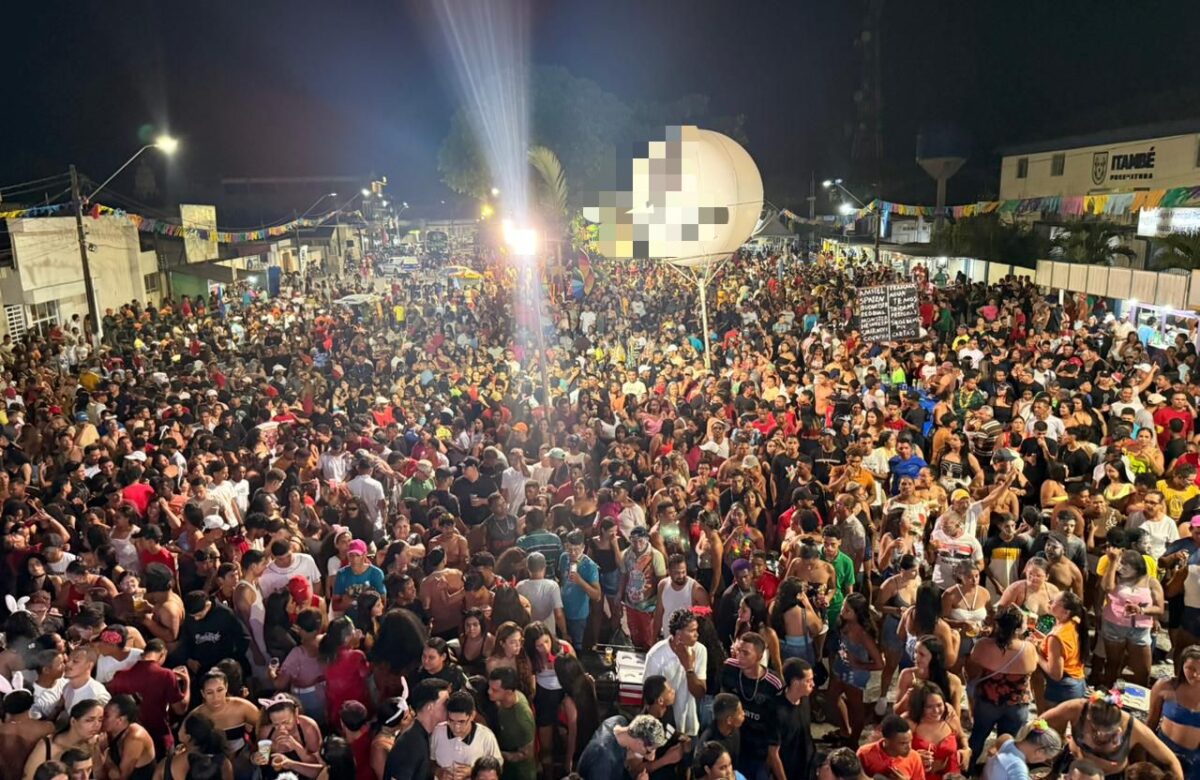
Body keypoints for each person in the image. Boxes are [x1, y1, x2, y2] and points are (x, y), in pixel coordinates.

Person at [1043, 693, 1185, 780]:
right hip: (1073, 768)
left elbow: (1171, 760)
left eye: (1108, 733)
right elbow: (1039, 723)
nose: (1100, 736)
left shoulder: (1134, 728)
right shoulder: (1077, 709)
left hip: (1110, 777)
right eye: (1095, 731)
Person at [965, 604, 1038, 764]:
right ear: (1019, 628)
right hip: (1017, 705)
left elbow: (970, 671)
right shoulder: (1028, 649)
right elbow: (1032, 668)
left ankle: (966, 769)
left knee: (977, 738)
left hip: (987, 702)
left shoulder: (983, 645)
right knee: (1007, 745)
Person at [721, 632, 783, 780]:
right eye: (738, 651)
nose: (739, 657)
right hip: (734, 743)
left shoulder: (773, 684)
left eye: (745, 653)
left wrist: (771, 754)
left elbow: (776, 724)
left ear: (760, 656)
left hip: (758, 750)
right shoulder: (729, 668)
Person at [645, 608, 709, 738]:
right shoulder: (656, 655)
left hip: (689, 725)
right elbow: (648, 699)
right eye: (692, 631)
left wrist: (688, 668)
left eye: (696, 630)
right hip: (663, 726)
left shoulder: (700, 650)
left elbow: (700, 693)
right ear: (678, 634)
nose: (697, 634)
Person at [1148, 645, 1200, 780]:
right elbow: (1151, 722)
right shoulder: (1165, 685)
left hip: (1194, 761)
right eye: (1191, 668)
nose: (1196, 675)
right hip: (1163, 751)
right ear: (1181, 664)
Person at [382, 679, 450, 780]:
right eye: (445, 703)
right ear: (430, 707)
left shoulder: (420, 734)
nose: (449, 707)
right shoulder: (410, 742)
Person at [430, 690, 502, 780]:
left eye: (461, 722)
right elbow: (430, 761)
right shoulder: (438, 732)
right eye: (451, 721)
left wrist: (473, 771)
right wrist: (438, 772)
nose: (456, 727)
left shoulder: (486, 736)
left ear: (472, 715)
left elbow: (497, 768)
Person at [577, 713, 667, 780]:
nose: (651, 756)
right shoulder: (603, 759)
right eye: (649, 751)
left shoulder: (619, 720)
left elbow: (619, 751)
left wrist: (643, 753)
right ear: (639, 743)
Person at [619, 526, 667, 650]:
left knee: (649, 636)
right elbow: (624, 576)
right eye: (634, 540)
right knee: (634, 634)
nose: (637, 544)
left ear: (647, 539)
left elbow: (662, 581)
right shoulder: (625, 554)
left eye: (641, 540)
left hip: (649, 605)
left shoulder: (655, 556)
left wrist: (661, 604)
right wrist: (619, 595)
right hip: (631, 603)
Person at [487, 667, 536, 780]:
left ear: (508, 692)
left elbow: (527, 754)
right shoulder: (506, 698)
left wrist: (496, 753)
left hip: (520, 774)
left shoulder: (522, 718)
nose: (489, 691)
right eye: (490, 687)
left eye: (494, 690)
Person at [980, 719, 1063, 780]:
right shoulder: (1018, 768)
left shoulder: (1008, 744)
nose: (1043, 760)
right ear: (1039, 752)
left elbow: (1004, 737)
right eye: (1046, 758)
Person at [776, 659, 816, 780]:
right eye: (808, 681)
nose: (813, 684)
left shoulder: (804, 699)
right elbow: (773, 753)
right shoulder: (777, 711)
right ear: (795, 683)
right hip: (790, 769)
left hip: (808, 764)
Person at [100, 694, 156, 780]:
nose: (102, 719)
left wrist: (105, 752)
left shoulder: (135, 737)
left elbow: (121, 778)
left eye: (106, 716)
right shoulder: (109, 731)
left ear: (120, 720)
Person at [856, 715, 927, 780]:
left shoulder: (914, 757)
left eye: (910, 741)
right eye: (903, 743)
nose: (909, 747)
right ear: (886, 741)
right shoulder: (864, 754)